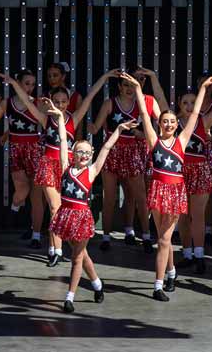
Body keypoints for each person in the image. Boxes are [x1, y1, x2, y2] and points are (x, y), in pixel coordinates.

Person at [4, 69, 118, 264]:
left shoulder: (72, 119)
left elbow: (90, 96)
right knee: (55, 207)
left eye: (63, 102)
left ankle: (57, 247)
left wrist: (104, 78)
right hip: (48, 165)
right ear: (50, 102)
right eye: (56, 102)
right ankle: (55, 250)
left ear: (68, 103)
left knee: (64, 208)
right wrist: (14, 84)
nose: (60, 105)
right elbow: (28, 101)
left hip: (68, 168)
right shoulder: (44, 118)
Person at [123, 73, 212, 301]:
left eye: (171, 122)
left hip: (175, 192)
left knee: (164, 240)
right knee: (163, 238)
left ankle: (158, 285)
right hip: (157, 190)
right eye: (164, 121)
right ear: (160, 124)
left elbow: (195, 113)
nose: (167, 124)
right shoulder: (153, 140)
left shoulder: (182, 140)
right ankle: (172, 272)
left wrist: (203, 87)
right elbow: (145, 114)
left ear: (177, 125)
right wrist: (137, 88)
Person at [47, 98, 136, 313]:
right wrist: (60, 118)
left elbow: (107, 146)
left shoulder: (93, 170)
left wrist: (119, 129)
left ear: (91, 155)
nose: (84, 155)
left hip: (82, 217)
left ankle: (70, 297)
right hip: (65, 215)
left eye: (87, 153)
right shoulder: (66, 166)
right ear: (73, 153)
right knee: (81, 254)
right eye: (80, 152)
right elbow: (61, 139)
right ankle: (97, 284)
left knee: (76, 257)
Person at [88, 69, 162, 252]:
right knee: (109, 197)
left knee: (140, 197)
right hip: (112, 152)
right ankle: (106, 237)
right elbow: (95, 128)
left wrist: (142, 134)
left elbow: (164, 124)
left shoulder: (148, 102)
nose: (130, 88)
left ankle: (145, 236)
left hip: (135, 153)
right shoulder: (110, 103)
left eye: (134, 84)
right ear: (119, 86)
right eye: (126, 84)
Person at [171, 80, 212, 274]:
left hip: (199, 170)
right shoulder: (171, 122)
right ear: (178, 103)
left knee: (197, 215)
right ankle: (187, 254)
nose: (190, 106)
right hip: (179, 172)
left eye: (193, 102)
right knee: (182, 216)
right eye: (185, 103)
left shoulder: (203, 121)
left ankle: (200, 256)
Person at [0, 69, 44, 238]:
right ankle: (14, 208)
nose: (30, 87)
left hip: (35, 150)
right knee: (22, 191)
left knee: (36, 195)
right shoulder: (7, 103)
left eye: (32, 84)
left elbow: (47, 125)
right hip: (17, 151)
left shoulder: (38, 103)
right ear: (18, 82)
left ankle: (36, 235)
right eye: (26, 83)